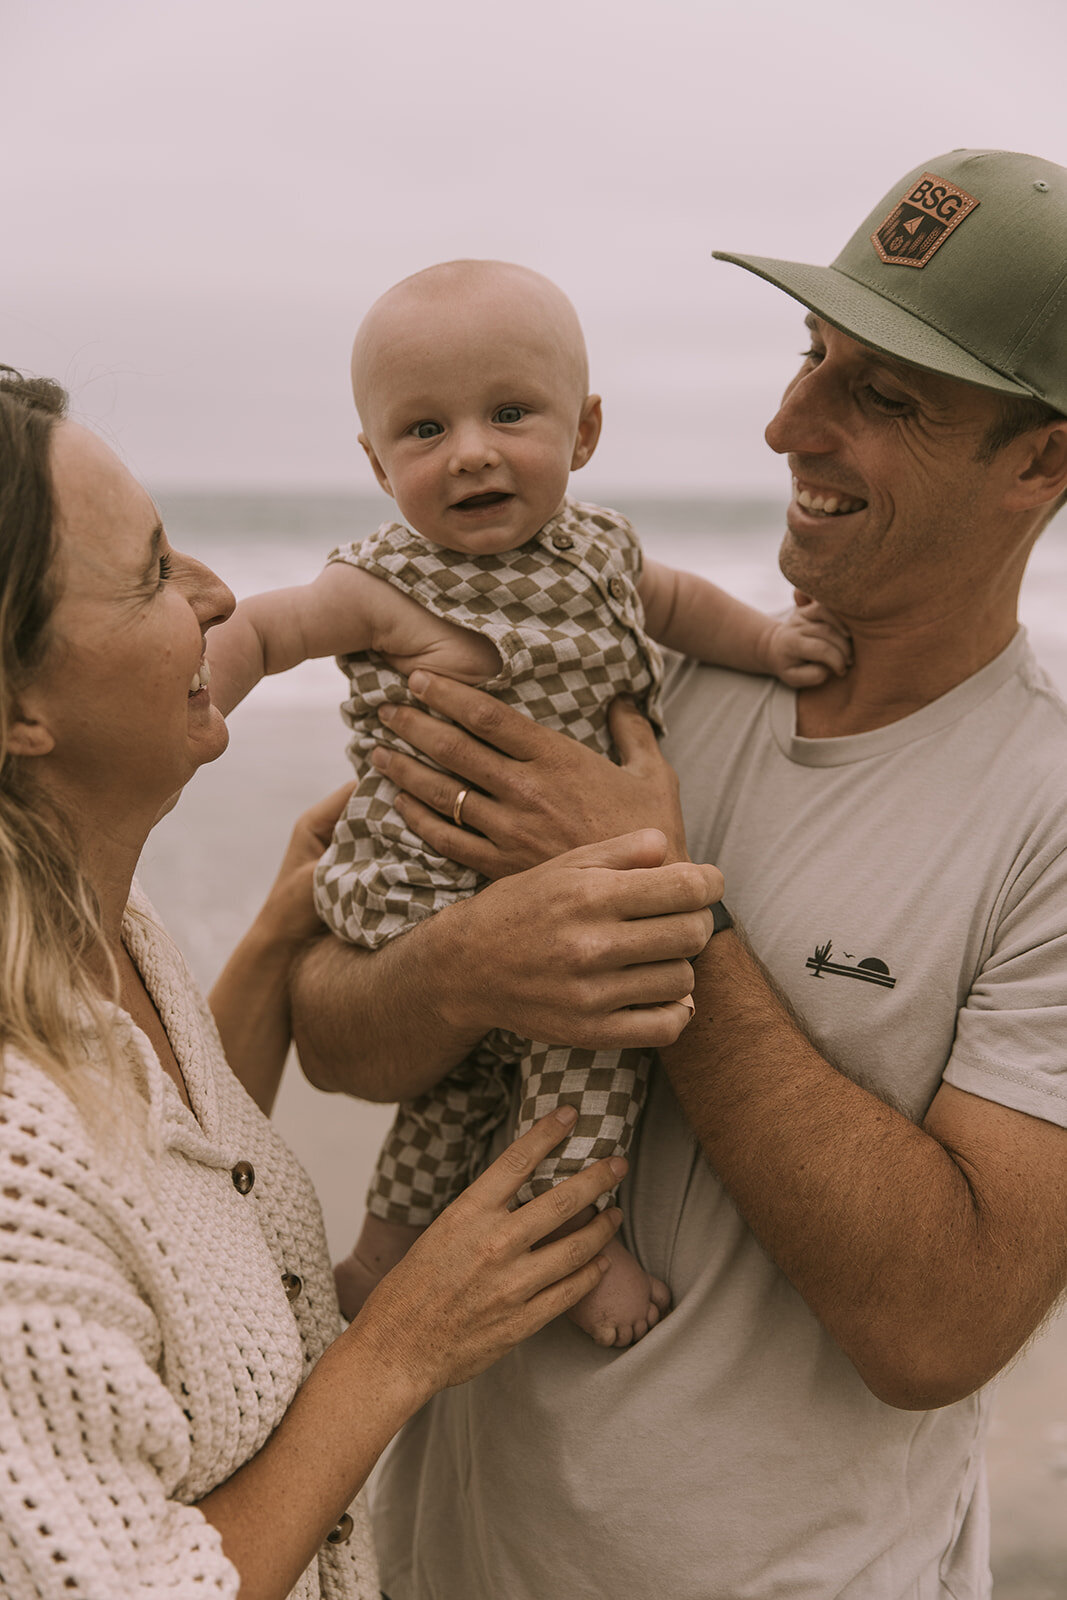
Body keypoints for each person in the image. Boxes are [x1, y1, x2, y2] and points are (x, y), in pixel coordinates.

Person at [288, 149, 1067, 1598]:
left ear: (1041, 462)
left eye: (881, 396)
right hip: (449, 1564)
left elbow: (937, 1326)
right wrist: (470, 958)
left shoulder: (1046, 820)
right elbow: (335, 1031)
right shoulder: (618, 672)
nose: (788, 425)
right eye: (806, 358)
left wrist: (642, 904)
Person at [0, 367, 706, 1600]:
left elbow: (166, 1181)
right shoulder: (14, 1170)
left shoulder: (113, 937)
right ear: (20, 710)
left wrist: (278, 941)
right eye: (157, 572)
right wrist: (400, 1344)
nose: (220, 596)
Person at [206, 258, 849, 1347]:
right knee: (579, 1058)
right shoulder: (381, 582)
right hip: (421, 891)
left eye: (509, 413)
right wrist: (199, 696)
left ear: (584, 430)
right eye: (421, 431)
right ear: (374, 464)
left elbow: (681, 607)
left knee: (490, 1087)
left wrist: (770, 640)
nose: (468, 450)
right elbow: (265, 631)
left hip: (553, 879)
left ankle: (394, 1249)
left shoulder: (602, 548)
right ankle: (571, 1239)